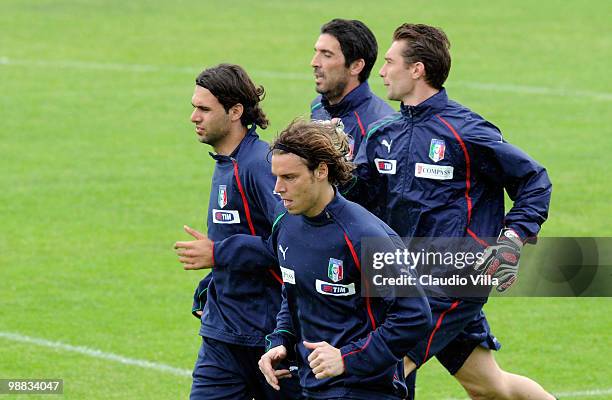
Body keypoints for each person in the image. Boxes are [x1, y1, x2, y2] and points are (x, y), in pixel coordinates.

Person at [344, 23, 555, 399]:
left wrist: (511, 239)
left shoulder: (467, 131)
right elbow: (358, 201)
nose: (381, 71)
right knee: (491, 388)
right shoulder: (382, 135)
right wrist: (334, 167)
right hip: (400, 275)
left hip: (453, 278)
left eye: (390, 62)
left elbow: (533, 180)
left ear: (417, 69)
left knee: (379, 368)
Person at [208, 119, 431, 399]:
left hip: (365, 390)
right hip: (311, 386)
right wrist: (281, 341)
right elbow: (294, 295)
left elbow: (414, 316)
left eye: (289, 177)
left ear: (321, 171)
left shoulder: (363, 236)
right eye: (276, 176)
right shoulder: (286, 227)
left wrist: (347, 358)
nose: (277, 188)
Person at [174, 63, 300, 400]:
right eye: (193, 107)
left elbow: (290, 244)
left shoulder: (261, 165)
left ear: (235, 112)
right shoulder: (225, 163)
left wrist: (218, 254)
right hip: (222, 335)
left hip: (267, 336)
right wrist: (210, 286)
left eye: (203, 108)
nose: (194, 117)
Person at [310, 18, 393, 160]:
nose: (314, 62)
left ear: (356, 66)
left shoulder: (381, 127)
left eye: (327, 55)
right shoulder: (318, 107)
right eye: (316, 52)